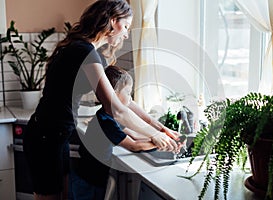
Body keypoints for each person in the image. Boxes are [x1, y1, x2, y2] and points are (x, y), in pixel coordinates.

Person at [23, 0, 181, 199]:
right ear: (113, 21)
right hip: (45, 137)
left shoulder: (94, 54)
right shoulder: (83, 51)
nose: (126, 33)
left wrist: (160, 128)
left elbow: (124, 100)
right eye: (125, 26)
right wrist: (153, 134)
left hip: (57, 136)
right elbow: (115, 108)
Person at [69, 65, 159, 200]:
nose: (130, 98)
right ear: (114, 95)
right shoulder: (106, 121)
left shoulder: (109, 115)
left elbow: (134, 135)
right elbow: (134, 146)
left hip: (90, 175)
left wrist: (158, 135)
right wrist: (160, 144)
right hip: (87, 180)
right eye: (128, 92)